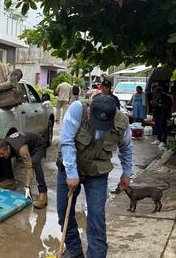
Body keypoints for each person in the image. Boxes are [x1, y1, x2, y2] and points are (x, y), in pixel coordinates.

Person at [57, 94, 132, 258]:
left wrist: (127, 173)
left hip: (97, 174)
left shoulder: (122, 122)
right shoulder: (78, 109)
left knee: (96, 216)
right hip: (71, 167)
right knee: (64, 213)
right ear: (90, 109)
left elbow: (126, 147)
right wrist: (71, 173)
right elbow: (67, 141)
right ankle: (74, 249)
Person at [0, 132, 48, 208]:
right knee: (5, 157)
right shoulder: (2, 146)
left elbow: (29, 167)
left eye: (2, 153)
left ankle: (43, 194)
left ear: (8, 148)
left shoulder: (21, 149)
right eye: (0, 153)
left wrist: (27, 186)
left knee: (35, 162)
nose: (0, 155)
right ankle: (10, 181)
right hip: (24, 145)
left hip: (38, 145)